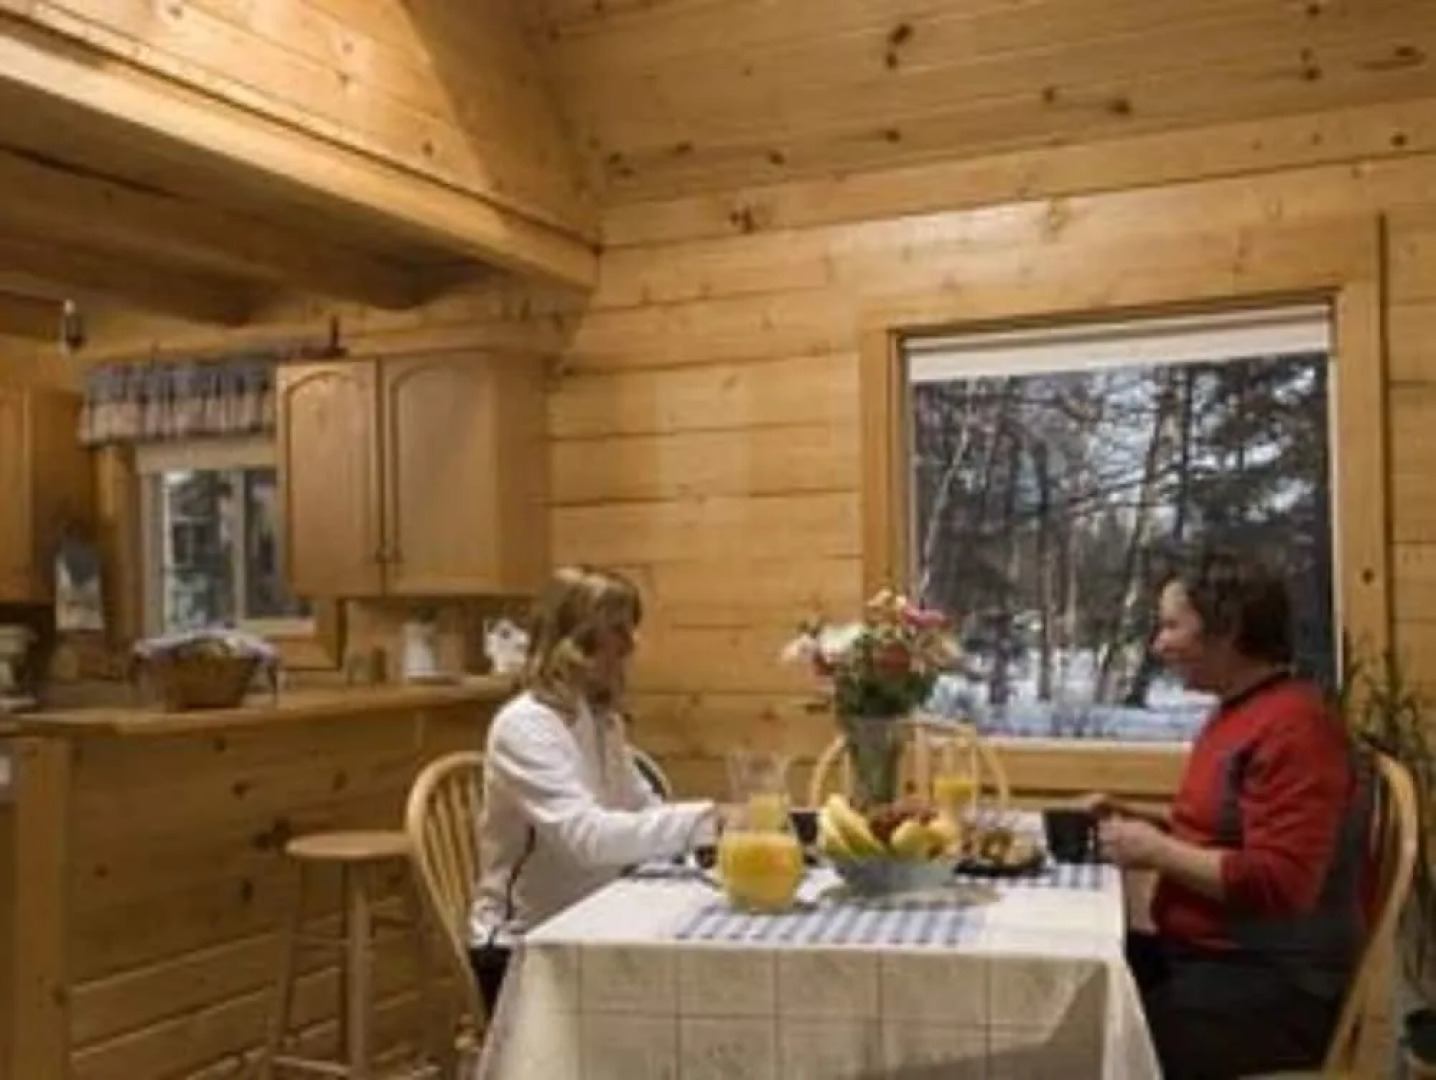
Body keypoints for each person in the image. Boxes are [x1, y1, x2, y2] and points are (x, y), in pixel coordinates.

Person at [1085, 548, 1371, 1080]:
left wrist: (1156, 851)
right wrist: (1141, 819)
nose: (1159, 644)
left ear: (1228, 629)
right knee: (1072, 988)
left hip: (1274, 989)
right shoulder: (1242, 709)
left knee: (1082, 1039)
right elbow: (1227, 832)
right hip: (1203, 959)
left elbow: (1281, 883)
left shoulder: (1296, 729)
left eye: (1173, 626)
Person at [467, 566, 719, 1013]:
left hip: (592, 921)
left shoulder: (601, 719)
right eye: (617, 631)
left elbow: (642, 807)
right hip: (522, 946)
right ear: (575, 640)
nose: (630, 645)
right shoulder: (525, 726)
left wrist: (709, 838)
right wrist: (704, 821)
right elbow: (586, 838)